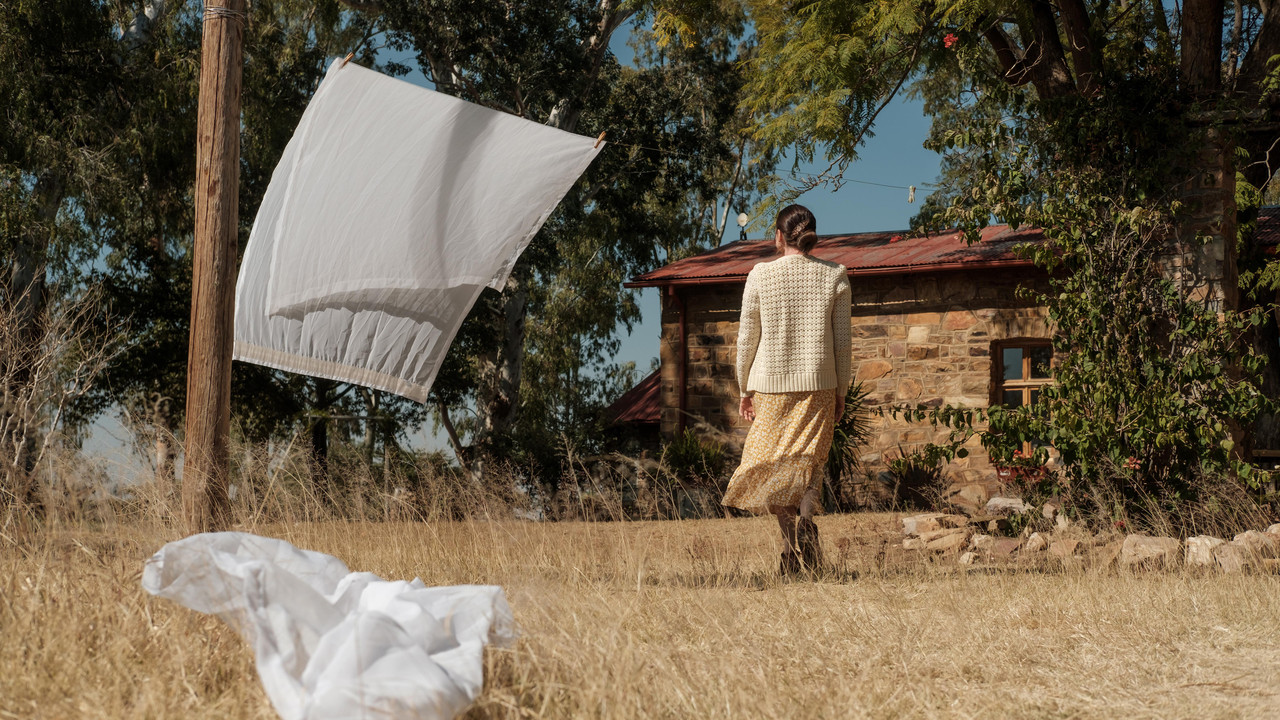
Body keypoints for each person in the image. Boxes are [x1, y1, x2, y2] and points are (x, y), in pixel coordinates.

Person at [722, 204, 852, 575]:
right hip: (820, 385)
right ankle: (807, 525)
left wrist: (744, 387)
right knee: (809, 459)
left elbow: (747, 337)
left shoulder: (760, 275)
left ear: (778, 236)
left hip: (770, 386)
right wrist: (841, 391)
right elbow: (843, 342)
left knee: (771, 463)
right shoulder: (835, 275)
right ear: (812, 236)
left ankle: (789, 549)